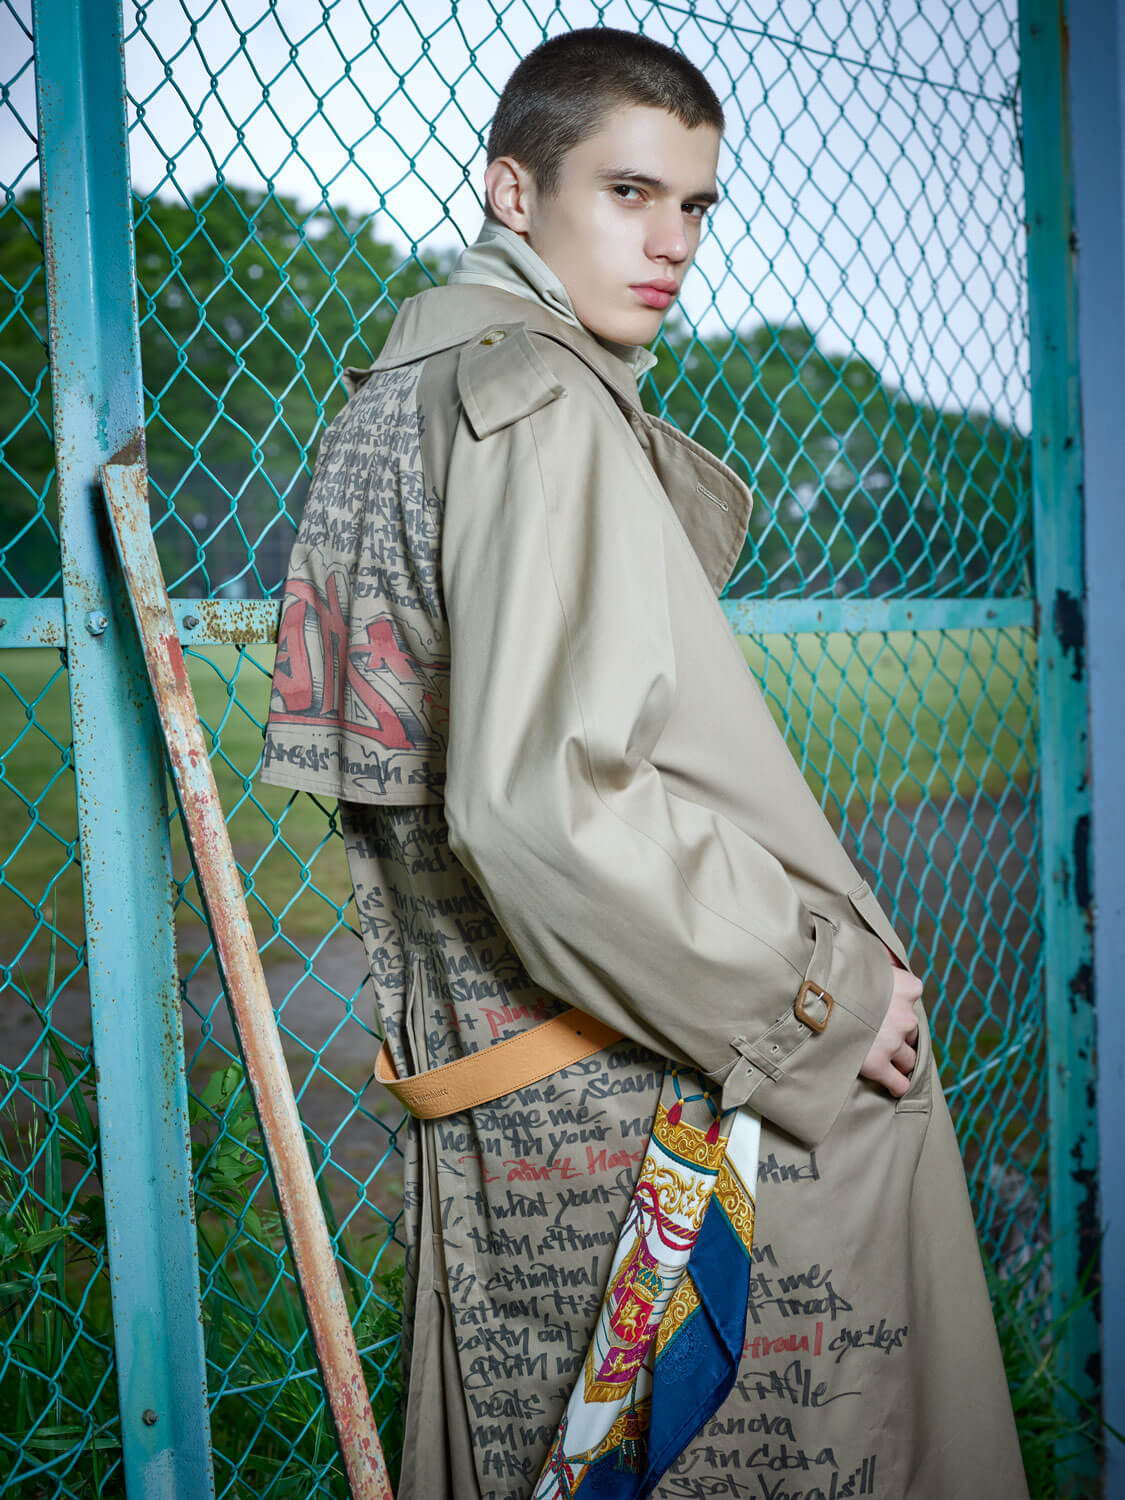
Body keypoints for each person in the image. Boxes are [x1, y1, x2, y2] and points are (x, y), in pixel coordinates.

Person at [258, 26, 1029, 1500]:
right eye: (628, 193)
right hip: (655, 1090)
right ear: (514, 190)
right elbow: (543, 807)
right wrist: (818, 997)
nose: (672, 241)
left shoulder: (400, 397)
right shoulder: (536, 404)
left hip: (525, 1100)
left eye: (695, 205)